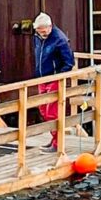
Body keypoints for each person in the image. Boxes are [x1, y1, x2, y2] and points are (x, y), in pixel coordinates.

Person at [32, 13, 74, 153]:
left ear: (50, 27)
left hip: (54, 78)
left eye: (44, 31)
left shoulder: (60, 40)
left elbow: (69, 62)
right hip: (42, 78)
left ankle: (58, 143)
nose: (42, 34)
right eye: (39, 31)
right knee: (43, 109)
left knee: (52, 112)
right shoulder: (37, 37)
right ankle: (54, 138)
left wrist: (58, 77)